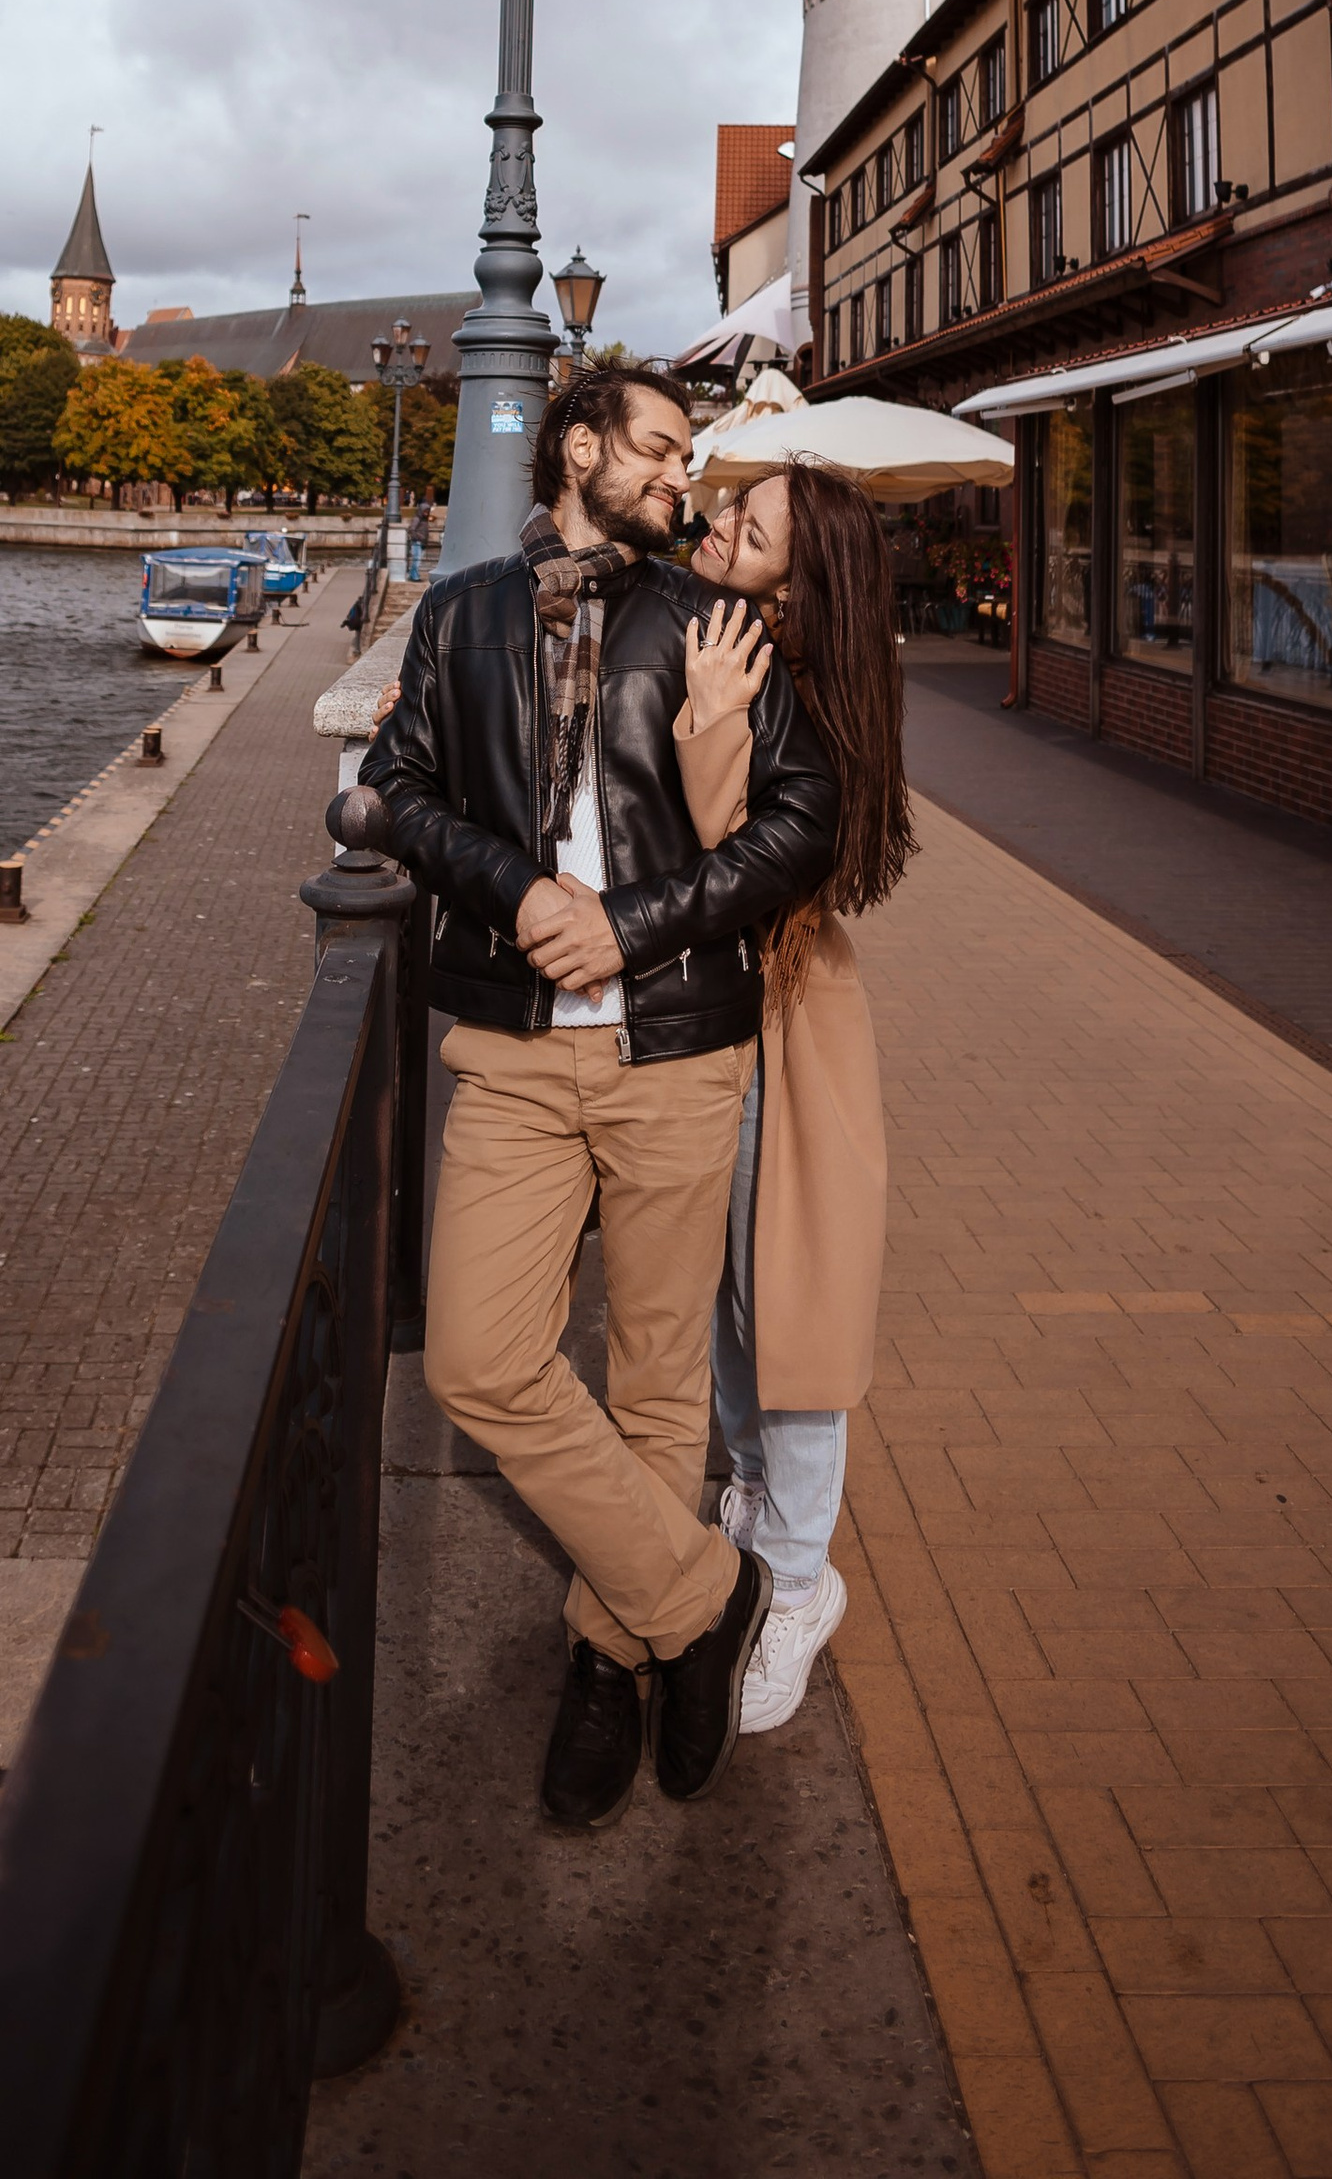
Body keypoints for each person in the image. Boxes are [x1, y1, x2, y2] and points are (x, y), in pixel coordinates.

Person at [363, 367, 841, 1830]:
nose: (675, 476)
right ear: (578, 448)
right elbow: (396, 783)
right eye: (654, 448)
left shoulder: (714, 624)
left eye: (687, 458)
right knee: (481, 1363)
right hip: (510, 1046)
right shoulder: (459, 618)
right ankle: (707, 1602)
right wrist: (519, 894)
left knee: (654, 1383)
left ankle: (608, 1656)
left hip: (677, 1047)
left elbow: (802, 824)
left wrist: (630, 925)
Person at [675, 461, 912, 1736]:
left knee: (791, 1312)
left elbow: (720, 846)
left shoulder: (792, 697)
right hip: (724, 1011)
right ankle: (753, 1500)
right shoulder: (735, 639)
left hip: (785, 1018)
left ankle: (800, 1579)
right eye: (727, 510)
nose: (716, 528)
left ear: (795, 585)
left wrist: (713, 711)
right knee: (726, 1287)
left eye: (747, 528)